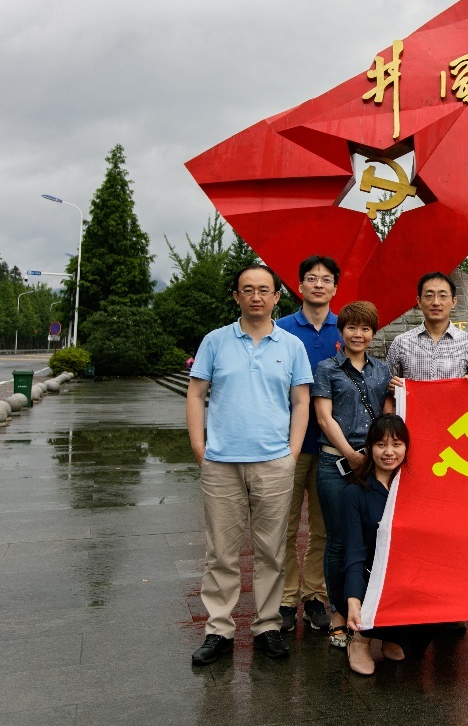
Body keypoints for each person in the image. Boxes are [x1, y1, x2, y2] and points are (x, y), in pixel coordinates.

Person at [188, 264, 313, 666]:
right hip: (221, 463)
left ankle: (267, 626)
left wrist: (292, 453)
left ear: (277, 297)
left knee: (272, 551)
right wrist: (200, 448)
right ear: (236, 296)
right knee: (221, 553)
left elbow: (301, 402)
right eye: (248, 289)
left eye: (264, 289)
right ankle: (219, 630)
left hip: (274, 463)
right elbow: (195, 394)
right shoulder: (215, 341)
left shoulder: (291, 345)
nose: (256, 296)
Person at [312, 300, 393, 649]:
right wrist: (350, 454)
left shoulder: (383, 370)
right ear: (341, 331)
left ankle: (370, 609)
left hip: (374, 465)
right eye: (351, 328)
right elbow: (324, 418)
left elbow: (389, 415)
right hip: (336, 464)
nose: (357, 334)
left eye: (365, 328)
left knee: (375, 539)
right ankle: (338, 615)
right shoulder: (326, 368)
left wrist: (374, 456)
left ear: (373, 334)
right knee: (338, 542)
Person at [274, 255, 342, 634]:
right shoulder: (280, 329)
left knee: (323, 527)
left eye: (326, 279)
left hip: (331, 445)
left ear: (335, 288)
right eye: (311, 279)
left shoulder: (345, 329)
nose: (318, 284)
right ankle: (286, 598)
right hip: (286, 444)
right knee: (282, 526)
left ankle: (315, 595)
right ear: (299, 286)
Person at [343, 414, 412, 675]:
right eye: (381, 445)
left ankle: (392, 634)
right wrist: (352, 600)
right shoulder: (354, 492)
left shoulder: (411, 488)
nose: (389, 452)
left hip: (400, 572)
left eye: (397, 444)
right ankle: (360, 641)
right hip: (366, 572)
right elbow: (353, 551)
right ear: (369, 447)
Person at [386, 271, 468, 383]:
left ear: (453, 302)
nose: (436, 302)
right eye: (429, 296)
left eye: (443, 296)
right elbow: (387, 383)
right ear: (419, 301)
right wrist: (391, 386)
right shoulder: (401, 342)